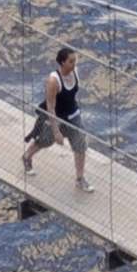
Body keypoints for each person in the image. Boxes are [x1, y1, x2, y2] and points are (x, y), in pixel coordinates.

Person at [20, 45, 89, 188]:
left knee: (80, 145)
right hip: (55, 117)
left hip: (73, 115)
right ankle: (27, 157)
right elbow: (50, 107)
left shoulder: (75, 71)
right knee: (45, 141)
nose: (74, 64)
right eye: (71, 61)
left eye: (75, 60)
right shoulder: (53, 81)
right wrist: (56, 131)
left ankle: (80, 179)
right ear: (63, 62)